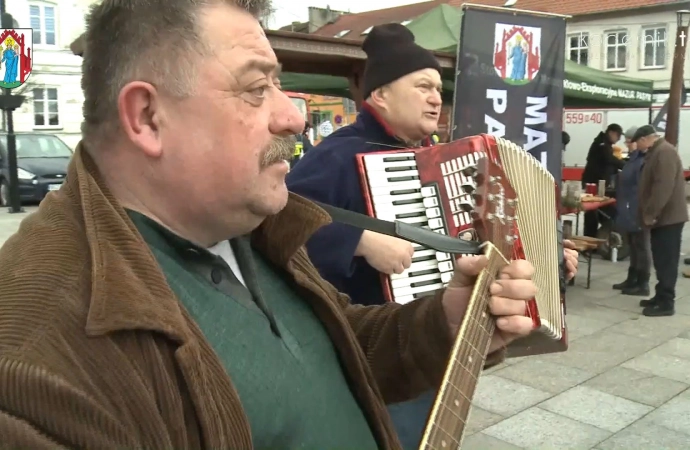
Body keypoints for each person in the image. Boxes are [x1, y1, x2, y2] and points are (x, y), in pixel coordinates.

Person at [0, 1, 537, 447]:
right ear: (147, 117)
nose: (295, 116)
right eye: (257, 89)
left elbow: (336, 347)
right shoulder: (38, 364)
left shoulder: (246, 222)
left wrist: (445, 320)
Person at [286, 23, 578, 450]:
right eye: (422, 86)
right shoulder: (336, 154)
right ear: (380, 95)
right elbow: (275, 221)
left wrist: (549, 257)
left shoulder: (444, 158)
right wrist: (357, 240)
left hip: (432, 338)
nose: (435, 97)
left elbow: (483, 235)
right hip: (372, 352)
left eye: (438, 87)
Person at [635, 125, 688, 317]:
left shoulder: (664, 152)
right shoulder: (658, 151)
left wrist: (651, 214)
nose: (638, 146)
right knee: (661, 259)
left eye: (638, 142)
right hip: (664, 218)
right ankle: (660, 295)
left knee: (666, 260)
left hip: (667, 219)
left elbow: (662, 187)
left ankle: (666, 302)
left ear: (645, 139)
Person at [612, 126, 651, 296]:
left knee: (641, 246)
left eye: (630, 142)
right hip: (628, 207)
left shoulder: (644, 159)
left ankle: (642, 283)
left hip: (636, 208)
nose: (628, 145)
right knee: (633, 245)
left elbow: (641, 186)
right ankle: (632, 278)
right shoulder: (634, 157)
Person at [581, 124, 625, 237]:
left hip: (599, 182)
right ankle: (590, 238)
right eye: (618, 136)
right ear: (611, 133)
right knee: (592, 211)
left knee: (597, 210)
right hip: (592, 182)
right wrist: (624, 164)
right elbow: (608, 159)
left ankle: (595, 236)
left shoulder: (606, 144)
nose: (619, 139)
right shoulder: (601, 143)